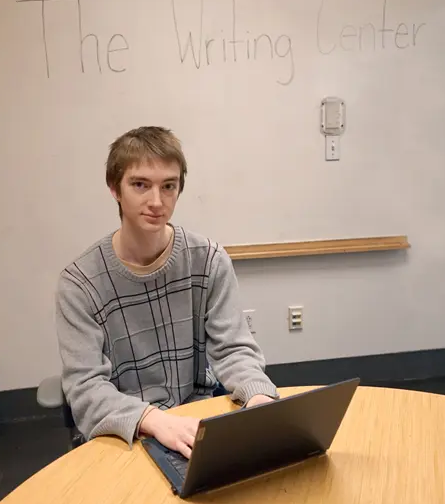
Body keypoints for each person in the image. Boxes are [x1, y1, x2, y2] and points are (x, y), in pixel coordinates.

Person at [54, 126, 279, 459]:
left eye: (168, 186)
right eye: (140, 185)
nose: (156, 202)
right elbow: (86, 390)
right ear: (115, 189)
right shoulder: (79, 283)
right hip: (124, 432)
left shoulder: (209, 260)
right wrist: (154, 420)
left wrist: (259, 399)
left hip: (196, 419)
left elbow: (234, 349)